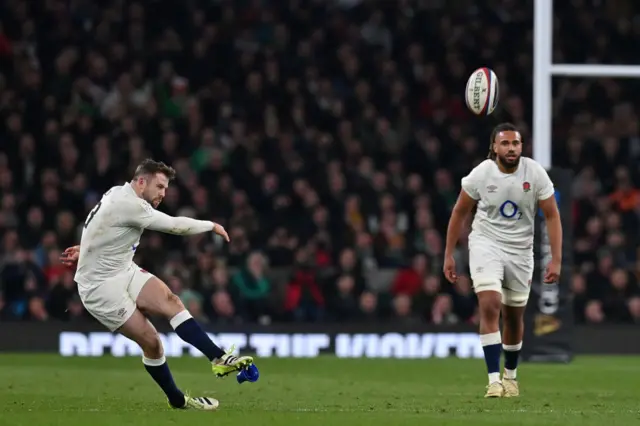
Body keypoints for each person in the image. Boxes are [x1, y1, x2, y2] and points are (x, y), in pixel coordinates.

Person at [60, 159, 254, 410]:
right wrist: (212, 225)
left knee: (171, 301)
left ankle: (218, 357)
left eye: (165, 188)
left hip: (122, 268)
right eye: (159, 187)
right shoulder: (130, 205)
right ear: (141, 182)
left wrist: (85, 249)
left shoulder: (117, 192)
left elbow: (96, 224)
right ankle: (177, 399)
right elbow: (174, 226)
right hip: (100, 287)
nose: (163, 193)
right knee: (152, 342)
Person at [443, 123, 562, 398]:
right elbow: (460, 212)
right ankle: (493, 380)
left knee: (513, 315)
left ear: (521, 147)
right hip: (486, 243)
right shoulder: (481, 174)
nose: (511, 148)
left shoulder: (534, 173)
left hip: (521, 251)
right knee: (490, 304)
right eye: (505, 144)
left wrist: (556, 259)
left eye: (515, 144)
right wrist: (449, 253)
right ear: (494, 147)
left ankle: (511, 376)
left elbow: (553, 216)